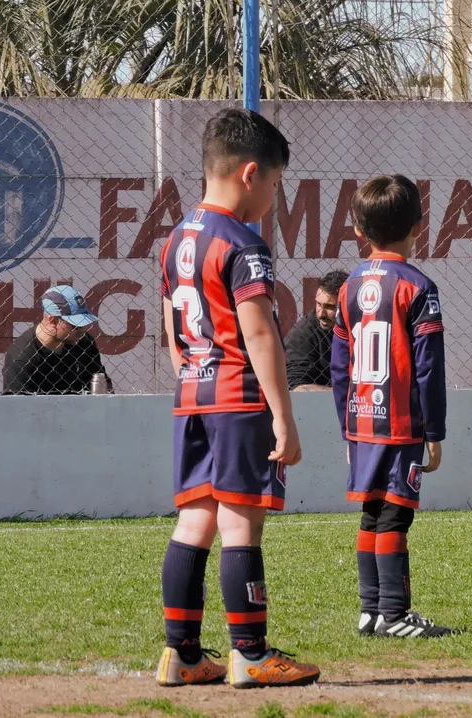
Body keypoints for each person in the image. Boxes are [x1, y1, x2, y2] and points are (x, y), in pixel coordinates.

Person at [156, 108, 319, 689]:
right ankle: (250, 654)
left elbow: (174, 335)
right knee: (241, 525)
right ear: (252, 174)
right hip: (239, 399)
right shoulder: (243, 243)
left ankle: (182, 654)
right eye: (275, 185)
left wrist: (193, 376)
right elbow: (258, 334)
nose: (273, 198)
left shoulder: (177, 240)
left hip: (192, 395)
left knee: (194, 520)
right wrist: (283, 416)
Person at [330, 174, 450, 639]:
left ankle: (371, 611)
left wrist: (347, 427)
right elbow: (428, 368)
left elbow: (339, 367)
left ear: (359, 231)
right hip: (400, 423)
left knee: (372, 512)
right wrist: (434, 432)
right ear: (418, 226)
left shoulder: (349, 287)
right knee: (396, 513)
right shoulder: (418, 287)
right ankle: (395, 615)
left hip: (362, 419)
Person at [2, 285, 111, 394]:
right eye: (75, 324)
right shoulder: (22, 358)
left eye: (84, 323)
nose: (82, 329)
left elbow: (103, 390)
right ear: (53, 321)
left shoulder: (84, 341)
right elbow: (18, 408)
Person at [284, 270, 350, 391]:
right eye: (319, 304)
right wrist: (346, 394)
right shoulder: (303, 334)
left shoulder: (361, 326)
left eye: (330, 307)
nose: (321, 314)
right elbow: (297, 386)